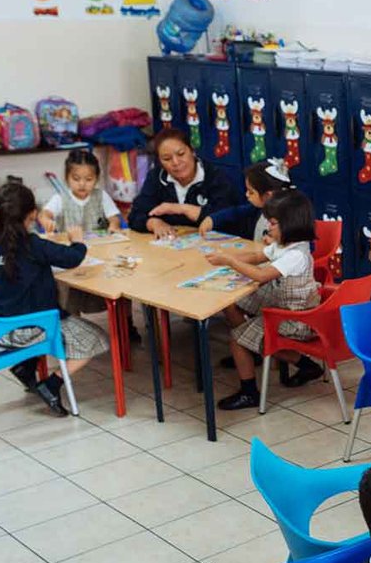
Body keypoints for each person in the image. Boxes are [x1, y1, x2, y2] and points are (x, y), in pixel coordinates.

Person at [0, 181, 110, 414]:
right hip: (32, 329)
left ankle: (26, 366)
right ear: (33, 214)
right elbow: (72, 258)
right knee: (98, 338)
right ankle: (51, 383)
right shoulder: (33, 245)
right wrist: (78, 240)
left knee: (29, 304)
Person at [205, 189, 322, 409]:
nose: (268, 227)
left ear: (291, 224)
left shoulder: (296, 255)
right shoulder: (285, 244)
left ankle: (249, 392)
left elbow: (260, 274)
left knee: (236, 339)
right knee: (231, 301)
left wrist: (229, 261)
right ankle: (256, 346)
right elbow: (258, 256)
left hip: (295, 319)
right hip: (284, 302)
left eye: (273, 223)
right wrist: (222, 257)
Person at [127, 126, 241, 237]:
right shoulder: (156, 177)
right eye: (167, 159)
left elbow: (228, 218)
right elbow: (135, 215)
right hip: (173, 248)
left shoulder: (215, 176)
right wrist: (154, 223)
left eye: (181, 154)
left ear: (192, 151)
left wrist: (182, 209)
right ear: (160, 162)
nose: (176, 162)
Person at [201, 158, 295, 242]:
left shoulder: (289, 221)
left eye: (251, 192)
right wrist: (212, 219)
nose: (246, 195)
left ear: (267, 196)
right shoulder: (258, 209)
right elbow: (236, 212)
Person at [38, 148, 122, 236]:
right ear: (67, 178)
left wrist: (114, 226)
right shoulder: (60, 198)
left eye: (88, 179)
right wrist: (47, 221)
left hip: (99, 244)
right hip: (70, 247)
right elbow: (44, 214)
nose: (82, 184)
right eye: (76, 179)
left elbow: (113, 218)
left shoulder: (102, 196)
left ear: (96, 179)